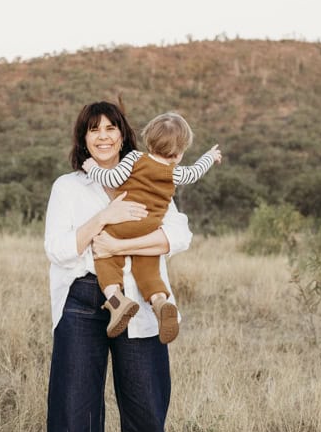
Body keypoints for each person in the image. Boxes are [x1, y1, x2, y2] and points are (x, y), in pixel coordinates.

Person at [42, 100, 193, 432]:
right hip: (81, 301)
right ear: (83, 139)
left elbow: (179, 233)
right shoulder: (67, 187)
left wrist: (119, 247)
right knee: (74, 413)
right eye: (94, 129)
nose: (103, 135)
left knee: (146, 409)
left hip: (141, 304)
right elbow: (58, 247)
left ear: (124, 134)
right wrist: (104, 219)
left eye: (111, 127)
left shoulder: (147, 172)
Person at [81, 111, 222, 342]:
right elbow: (196, 172)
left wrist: (91, 167)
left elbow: (112, 179)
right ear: (178, 154)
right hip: (149, 229)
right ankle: (159, 302)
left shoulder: (135, 158)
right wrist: (209, 155)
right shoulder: (175, 172)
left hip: (123, 221)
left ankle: (117, 301)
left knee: (105, 259)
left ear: (148, 140)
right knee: (148, 269)